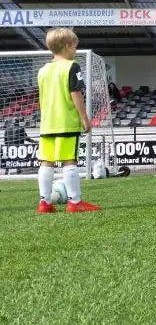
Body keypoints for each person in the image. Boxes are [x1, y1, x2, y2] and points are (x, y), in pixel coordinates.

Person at [36, 28, 99, 213]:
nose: (76, 51)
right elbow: (76, 94)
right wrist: (84, 118)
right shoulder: (72, 67)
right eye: (74, 47)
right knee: (69, 160)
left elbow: (41, 98)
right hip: (66, 122)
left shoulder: (43, 70)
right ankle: (75, 202)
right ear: (67, 46)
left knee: (46, 162)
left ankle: (45, 203)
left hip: (47, 124)